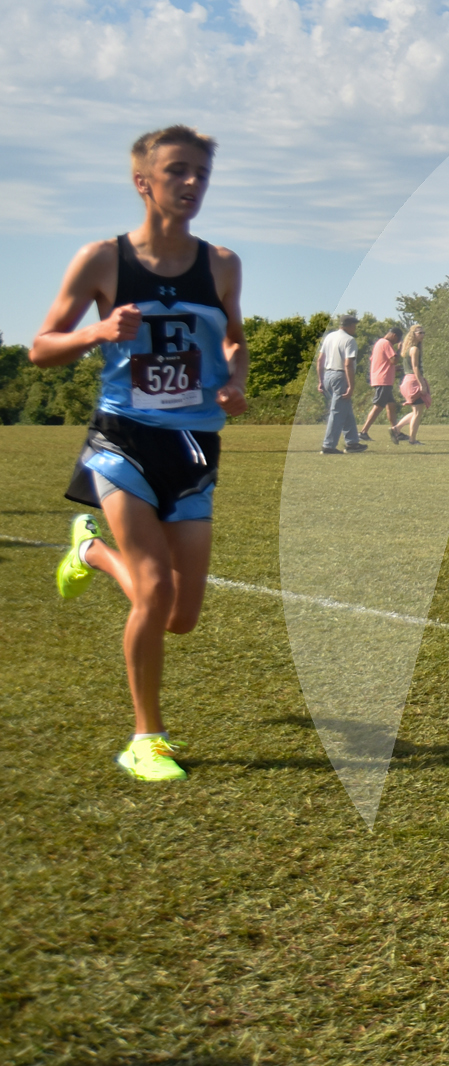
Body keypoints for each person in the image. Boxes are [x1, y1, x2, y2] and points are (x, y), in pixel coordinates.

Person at [34, 124, 248, 782]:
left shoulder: (222, 264)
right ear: (143, 182)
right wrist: (99, 329)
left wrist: (235, 380)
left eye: (201, 175)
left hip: (192, 446)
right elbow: (42, 347)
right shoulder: (102, 260)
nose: (191, 185)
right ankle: (145, 738)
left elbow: (234, 340)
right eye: (178, 171)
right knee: (152, 591)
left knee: (180, 618)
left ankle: (89, 551)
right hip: (122, 439)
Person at [315, 314, 365, 453]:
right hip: (340, 375)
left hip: (328, 374)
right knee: (337, 411)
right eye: (354, 325)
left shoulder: (329, 337)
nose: (355, 328)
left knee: (345, 410)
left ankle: (352, 442)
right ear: (349, 325)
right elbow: (348, 364)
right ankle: (328, 445)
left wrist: (320, 380)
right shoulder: (350, 340)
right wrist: (351, 385)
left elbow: (320, 360)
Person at [359, 325, 403, 441]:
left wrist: (395, 369)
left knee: (391, 406)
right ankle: (363, 431)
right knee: (378, 406)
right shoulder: (386, 343)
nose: (396, 343)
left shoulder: (378, 343)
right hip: (384, 380)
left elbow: (382, 362)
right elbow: (393, 360)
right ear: (394, 336)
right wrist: (399, 350)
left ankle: (395, 431)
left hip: (381, 378)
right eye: (397, 340)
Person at [392, 323, 429, 446]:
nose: (422, 335)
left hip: (407, 380)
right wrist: (421, 383)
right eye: (419, 333)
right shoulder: (414, 349)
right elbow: (415, 367)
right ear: (413, 334)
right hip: (413, 380)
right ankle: (412, 440)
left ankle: (396, 429)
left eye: (423, 333)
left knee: (416, 411)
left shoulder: (408, 348)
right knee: (418, 412)